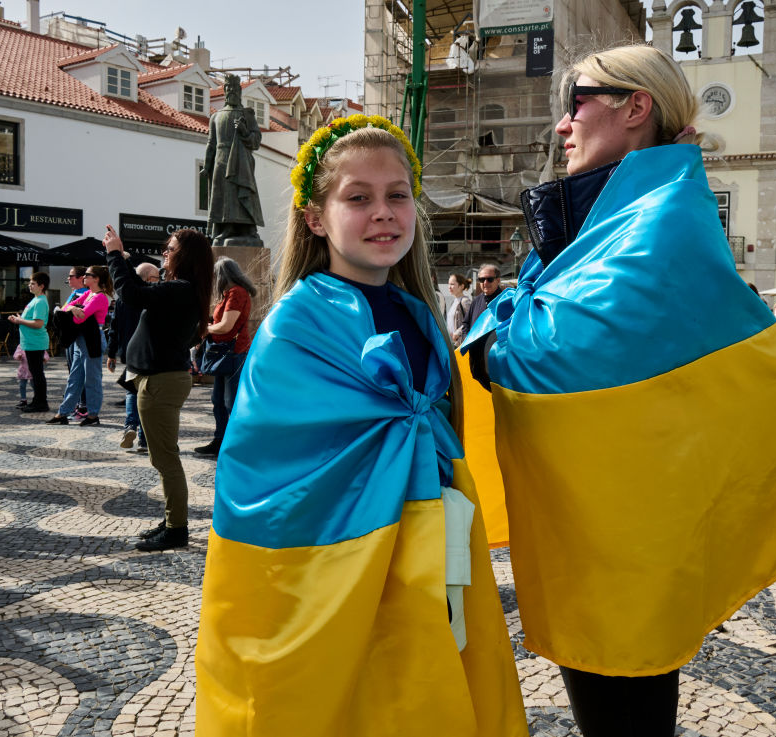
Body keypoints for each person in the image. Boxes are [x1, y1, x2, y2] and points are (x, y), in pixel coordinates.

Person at [460, 45, 776, 737]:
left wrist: (496, 326)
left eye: (578, 101)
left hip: (622, 540)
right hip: (599, 519)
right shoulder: (626, 211)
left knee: (623, 705)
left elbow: (551, 351)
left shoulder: (657, 219)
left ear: (636, 108)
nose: (562, 124)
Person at [195, 115, 526, 737]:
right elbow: (268, 472)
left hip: (430, 544)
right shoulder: (294, 326)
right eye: (358, 198)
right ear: (316, 218)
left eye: (397, 195)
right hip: (333, 563)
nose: (383, 213)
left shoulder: (417, 313)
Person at [104, 226, 213, 552]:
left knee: (166, 460)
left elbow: (131, 295)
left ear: (185, 255)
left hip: (161, 382)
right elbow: (139, 288)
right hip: (156, 379)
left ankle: (176, 529)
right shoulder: (181, 289)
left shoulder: (181, 289)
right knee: (162, 458)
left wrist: (113, 256)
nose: (165, 252)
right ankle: (170, 521)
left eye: (170, 248)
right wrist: (123, 258)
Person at [194, 257, 255, 456]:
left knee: (230, 402)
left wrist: (205, 329)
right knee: (218, 400)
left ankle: (238, 443)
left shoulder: (237, 293)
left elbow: (227, 326)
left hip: (234, 352)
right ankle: (220, 440)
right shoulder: (229, 293)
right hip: (226, 353)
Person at [203, 73, 265, 246]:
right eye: (228, 88)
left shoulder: (247, 114)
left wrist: (245, 132)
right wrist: (207, 165)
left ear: (239, 91)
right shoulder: (215, 117)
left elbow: (256, 141)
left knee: (241, 193)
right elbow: (211, 144)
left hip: (242, 160)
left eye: (234, 88)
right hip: (221, 161)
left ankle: (247, 228)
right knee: (223, 196)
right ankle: (226, 227)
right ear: (224, 91)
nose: (231, 91)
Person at [46, 266, 111, 426]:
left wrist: (73, 310)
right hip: (81, 339)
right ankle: (63, 413)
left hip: (93, 339)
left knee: (92, 379)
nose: (84, 277)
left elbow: (79, 318)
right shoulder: (89, 294)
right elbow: (66, 307)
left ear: (96, 279)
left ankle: (93, 415)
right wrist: (74, 309)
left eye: (87, 275)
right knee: (74, 378)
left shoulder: (100, 297)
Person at [108, 261, 159, 452]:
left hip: (130, 352)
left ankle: (130, 425)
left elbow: (114, 327)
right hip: (149, 352)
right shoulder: (151, 296)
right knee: (147, 395)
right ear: (147, 279)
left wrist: (112, 353)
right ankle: (144, 440)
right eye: (156, 277)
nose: (158, 281)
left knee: (132, 391)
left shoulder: (123, 298)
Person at [9, 271, 51, 412]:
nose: (29, 285)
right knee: (36, 372)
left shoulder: (40, 301)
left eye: (33, 283)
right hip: (31, 342)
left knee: (37, 373)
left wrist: (20, 320)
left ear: (41, 286)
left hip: (35, 342)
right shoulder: (36, 299)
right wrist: (19, 319)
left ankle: (41, 402)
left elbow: (38, 323)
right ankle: (37, 401)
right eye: (30, 283)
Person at [62, 266, 89, 418]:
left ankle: (83, 405)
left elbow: (67, 311)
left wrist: (65, 310)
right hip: (71, 336)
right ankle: (78, 403)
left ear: (81, 278)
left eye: (71, 276)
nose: (68, 279)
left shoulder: (85, 293)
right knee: (73, 371)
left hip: (77, 336)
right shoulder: (74, 293)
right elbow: (65, 309)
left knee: (78, 372)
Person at [460, 263, 502, 341]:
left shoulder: (505, 300)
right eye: (482, 280)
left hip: (497, 351)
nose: (485, 283)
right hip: (475, 350)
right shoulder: (476, 301)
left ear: (498, 280)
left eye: (490, 279)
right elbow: (466, 324)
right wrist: (467, 341)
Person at [446, 272, 472, 347]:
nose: (449, 287)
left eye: (452, 284)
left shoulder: (465, 301)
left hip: (461, 344)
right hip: (452, 343)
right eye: (449, 284)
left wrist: (457, 333)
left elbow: (471, 319)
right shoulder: (453, 302)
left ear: (461, 286)